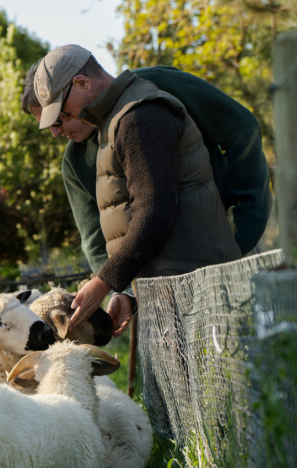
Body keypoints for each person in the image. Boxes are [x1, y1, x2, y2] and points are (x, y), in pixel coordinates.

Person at [29, 44, 246, 333]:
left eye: (62, 114)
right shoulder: (115, 119)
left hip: (199, 293)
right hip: (173, 289)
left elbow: (155, 212)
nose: (57, 130)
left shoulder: (140, 115)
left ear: (82, 83)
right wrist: (126, 292)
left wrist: (105, 282)